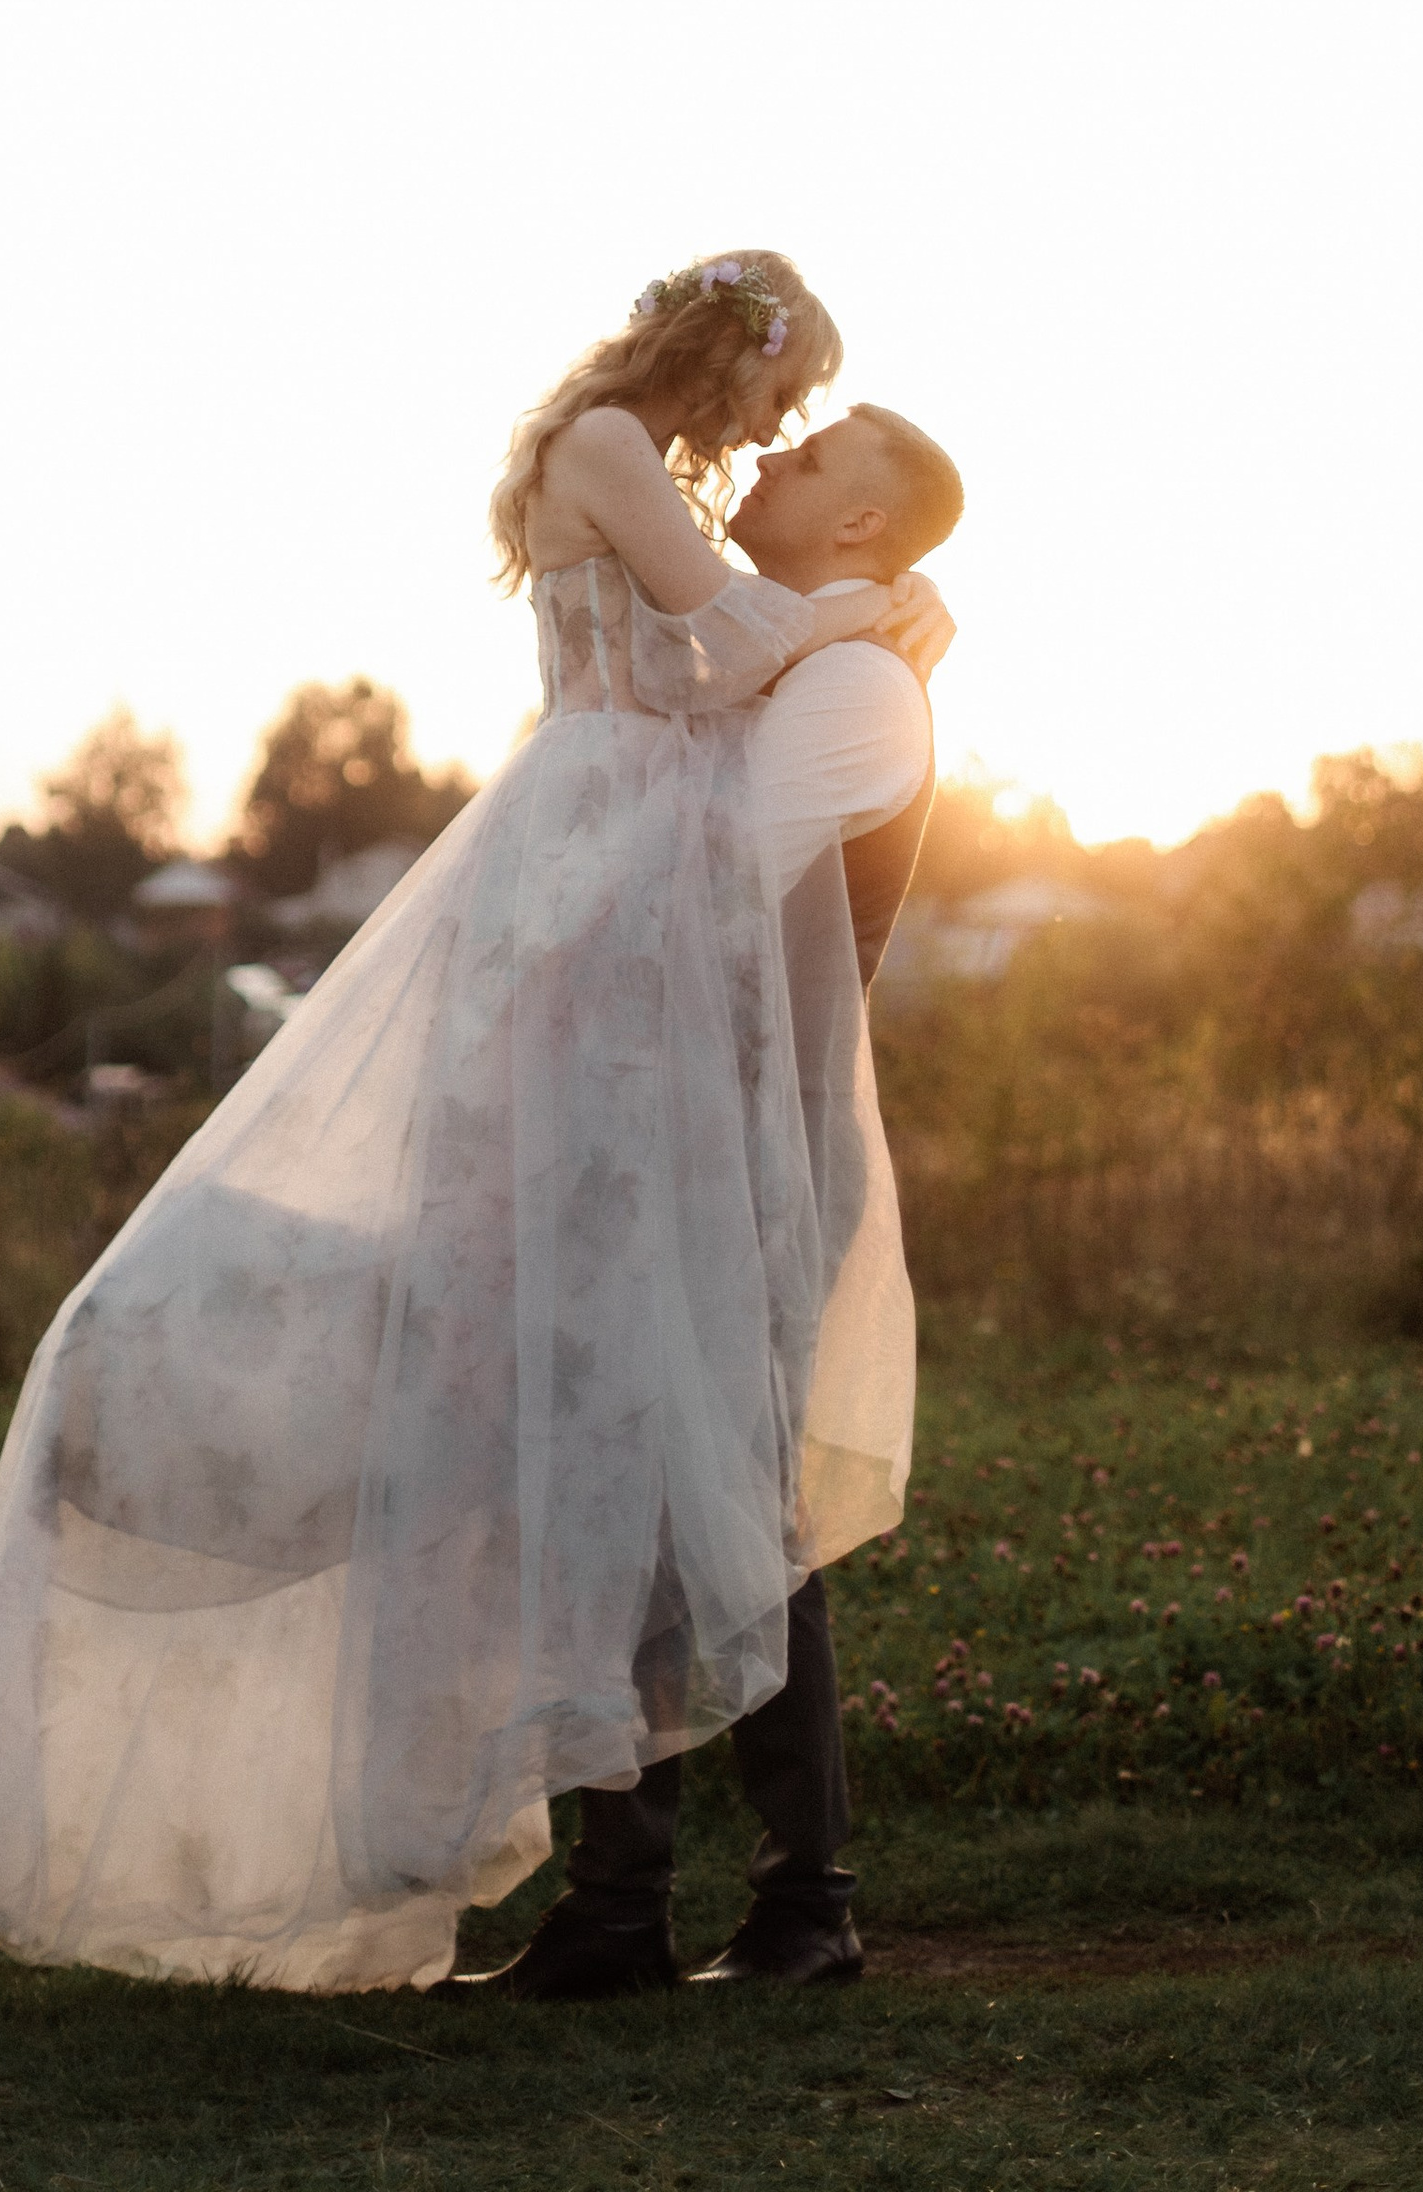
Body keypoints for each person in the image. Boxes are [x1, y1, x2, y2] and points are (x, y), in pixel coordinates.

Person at [0, 251, 944, 1994]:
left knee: (673, 1463)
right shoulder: (615, 449)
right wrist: (884, 603)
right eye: (784, 390)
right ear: (725, 350)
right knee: (599, 1436)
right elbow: (735, 635)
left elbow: (747, 697)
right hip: (594, 868)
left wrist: (879, 612)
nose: (777, 429)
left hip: (630, 925)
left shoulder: (718, 555)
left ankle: (719, 1899)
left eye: (806, 427)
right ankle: (647, 1895)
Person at [448, 399, 964, 1998]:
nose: (769, 463)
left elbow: (713, 882)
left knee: (742, 1520)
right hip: (651, 1141)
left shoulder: (863, 691)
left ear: (864, 529)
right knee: (638, 1504)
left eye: (815, 466)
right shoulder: (799, 657)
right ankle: (630, 1908)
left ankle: (800, 1903)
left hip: (748, 1163)